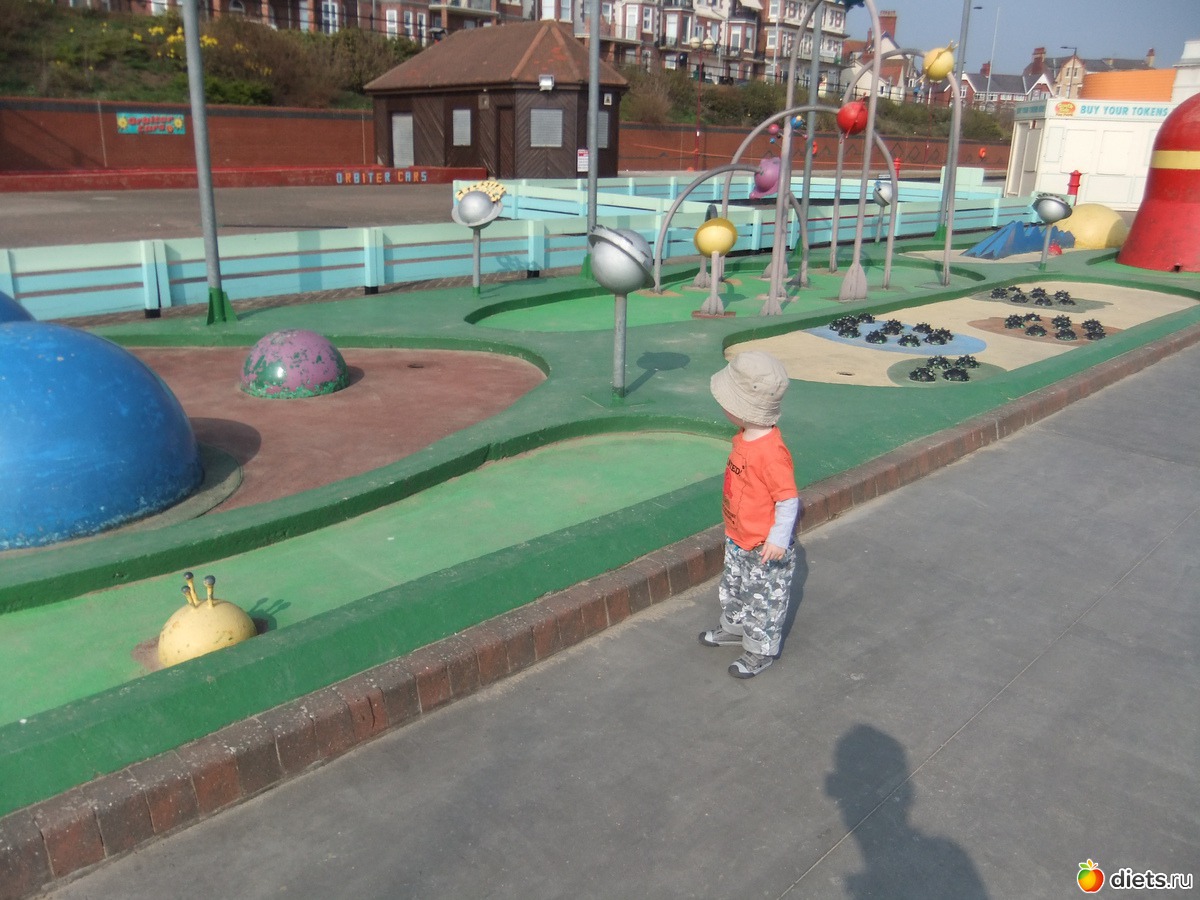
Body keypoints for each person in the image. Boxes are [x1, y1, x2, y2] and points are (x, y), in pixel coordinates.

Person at [701, 350, 800, 678]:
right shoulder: (745, 438)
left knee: (763, 601)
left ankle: (760, 650)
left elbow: (788, 499)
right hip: (738, 536)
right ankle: (734, 627)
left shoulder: (771, 453)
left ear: (743, 407)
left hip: (763, 547)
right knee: (733, 587)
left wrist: (778, 539)